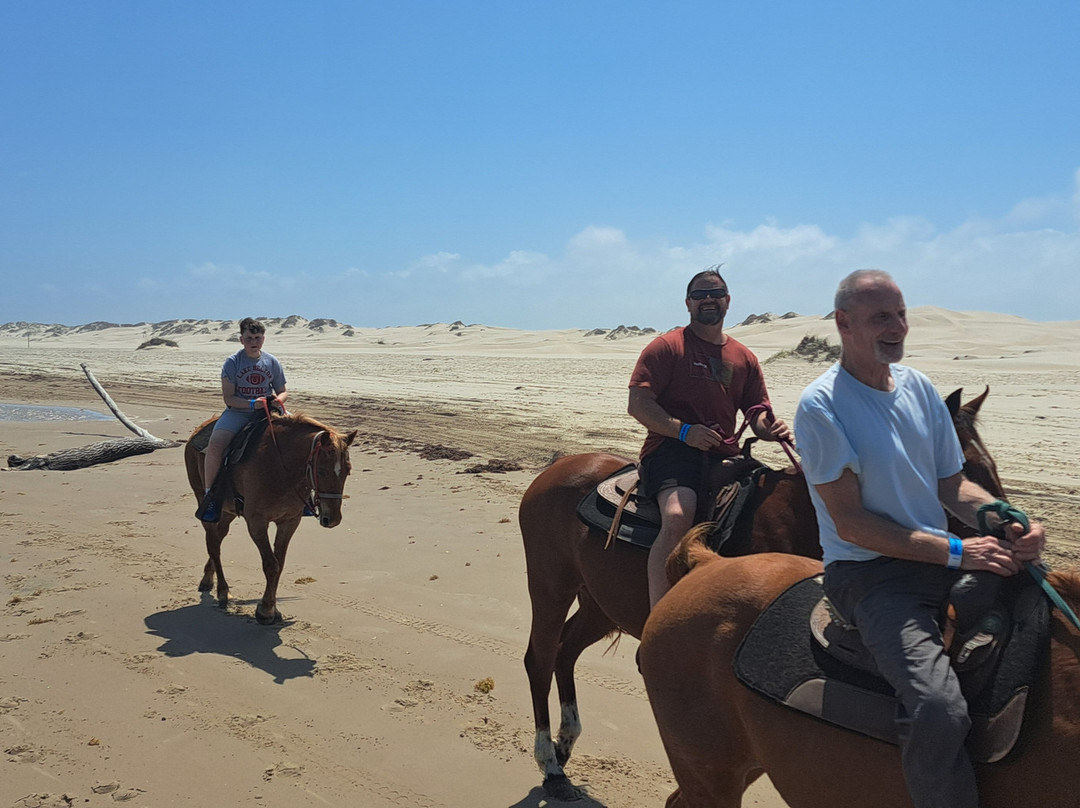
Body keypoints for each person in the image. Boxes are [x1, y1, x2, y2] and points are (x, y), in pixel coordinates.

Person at [793, 269, 1046, 808]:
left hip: (939, 559)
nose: (898, 327)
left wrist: (1006, 519)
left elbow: (952, 486)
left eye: (901, 314)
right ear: (843, 323)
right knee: (939, 708)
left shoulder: (920, 388)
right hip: (870, 575)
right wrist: (958, 551)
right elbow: (851, 523)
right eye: (881, 317)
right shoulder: (822, 406)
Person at [628, 267, 792, 607]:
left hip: (725, 455)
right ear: (688, 303)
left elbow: (756, 412)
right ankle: (661, 615)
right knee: (678, 515)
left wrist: (770, 429)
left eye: (715, 294)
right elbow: (638, 403)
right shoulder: (667, 347)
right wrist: (683, 431)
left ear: (727, 301)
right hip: (670, 450)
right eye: (699, 295)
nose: (708, 300)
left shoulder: (744, 357)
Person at [197, 317, 289, 523]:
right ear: (241, 340)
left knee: (300, 436)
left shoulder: (272, 361)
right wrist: (252, 404)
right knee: (215, 444)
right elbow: (229, 398)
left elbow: (283, 390)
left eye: (257, 338)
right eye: (249, 338)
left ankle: (306, 495)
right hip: (239, 412)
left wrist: (278, 400)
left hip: (269, 411)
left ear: (263, 338)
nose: (253, 342)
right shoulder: (232, 363)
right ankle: (211, 496)